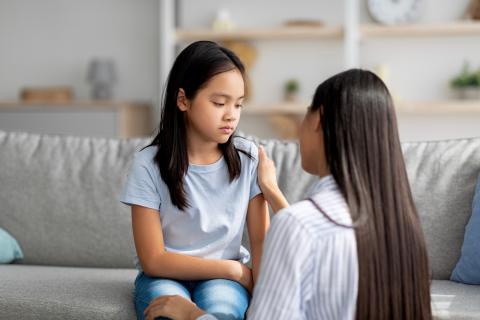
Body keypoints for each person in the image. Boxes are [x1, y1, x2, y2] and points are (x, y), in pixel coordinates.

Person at [142, 69, 433, 320]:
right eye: (220, 102)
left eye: (307, 111)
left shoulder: (299, 225)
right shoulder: (403, 227)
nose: (231, 114)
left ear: (318, 120)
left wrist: (193, 315)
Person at [120, 41, 270, 320]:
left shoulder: (248, 158)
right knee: (165, 314)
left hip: (223, 284)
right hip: (165, 276)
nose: (231, 115)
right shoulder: (148, 164)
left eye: (238, 104)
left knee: (222, 311)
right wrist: (233, 270)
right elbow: (153, 259)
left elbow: (261, 243)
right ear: (183, 100)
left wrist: (264, 296)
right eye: (219, 103)